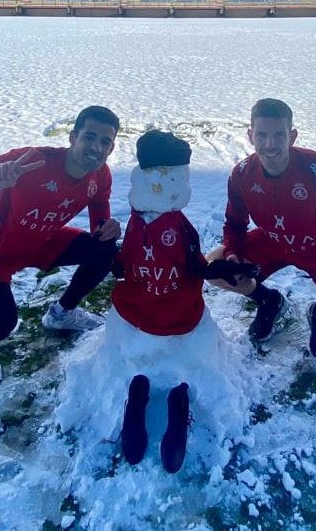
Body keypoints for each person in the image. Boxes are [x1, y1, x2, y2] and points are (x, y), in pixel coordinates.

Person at [0, 106, 122, 390]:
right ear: (72, 138)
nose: (96, 147)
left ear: (111, 147)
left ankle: (62, 314)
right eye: (89, 137)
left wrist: (108, 228)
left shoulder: (100, 176)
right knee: (1, 322)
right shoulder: (32, 161)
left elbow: (99, 220)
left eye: (105, 142)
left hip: (41, 242)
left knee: (105, 250)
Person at [111, 130, 257, 473]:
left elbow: (194, 265)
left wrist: (219, 268)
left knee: (185, 356)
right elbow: (123, 264)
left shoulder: (173, 227)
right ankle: (142, 397)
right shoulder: (141, 226)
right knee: (159, 351)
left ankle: (174, 399)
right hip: (147, 313)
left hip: (172, 315)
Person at [206, 98, 316, 358]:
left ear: (292, 136)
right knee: (213, 268)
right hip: (271, 241)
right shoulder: (242, 174)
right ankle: (269, 300)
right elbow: (234, 224)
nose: (269, 145)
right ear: (250, 136)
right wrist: (233, 252)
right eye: (262, 135)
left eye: (278, 135)